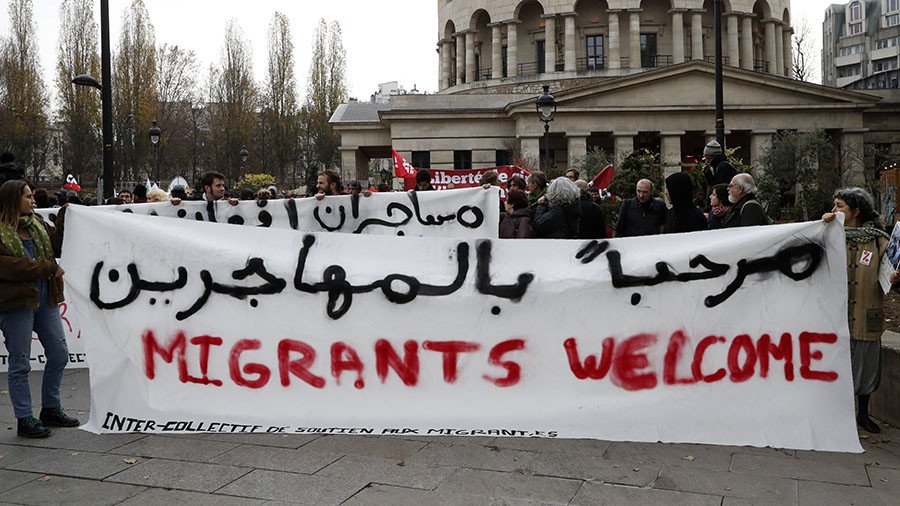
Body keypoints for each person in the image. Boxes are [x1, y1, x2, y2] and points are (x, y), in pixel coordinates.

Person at [0, 180, 79, 438]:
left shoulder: (37, 225)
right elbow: (12, 267)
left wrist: (67, 215)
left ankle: (50, 408)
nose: (33, 201)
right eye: (27, 197)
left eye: (33, 196)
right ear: (13, 200)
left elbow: (55, 246)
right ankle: (25, 418)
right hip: (17, 303)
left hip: (46, 298)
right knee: (20, 362)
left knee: (58, 354)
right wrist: (47, 268)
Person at [823, 187, 900, 434]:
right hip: (834, 316)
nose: (835, 210)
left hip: (868, 316)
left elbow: (889, 277)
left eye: (840, 206)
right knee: (835, 367)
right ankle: (834, 414)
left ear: (856, 211)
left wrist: (896, 279)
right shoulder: (830, 236)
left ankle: (862, 413)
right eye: (834, 205)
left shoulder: (879, 240)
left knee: (866, 369)